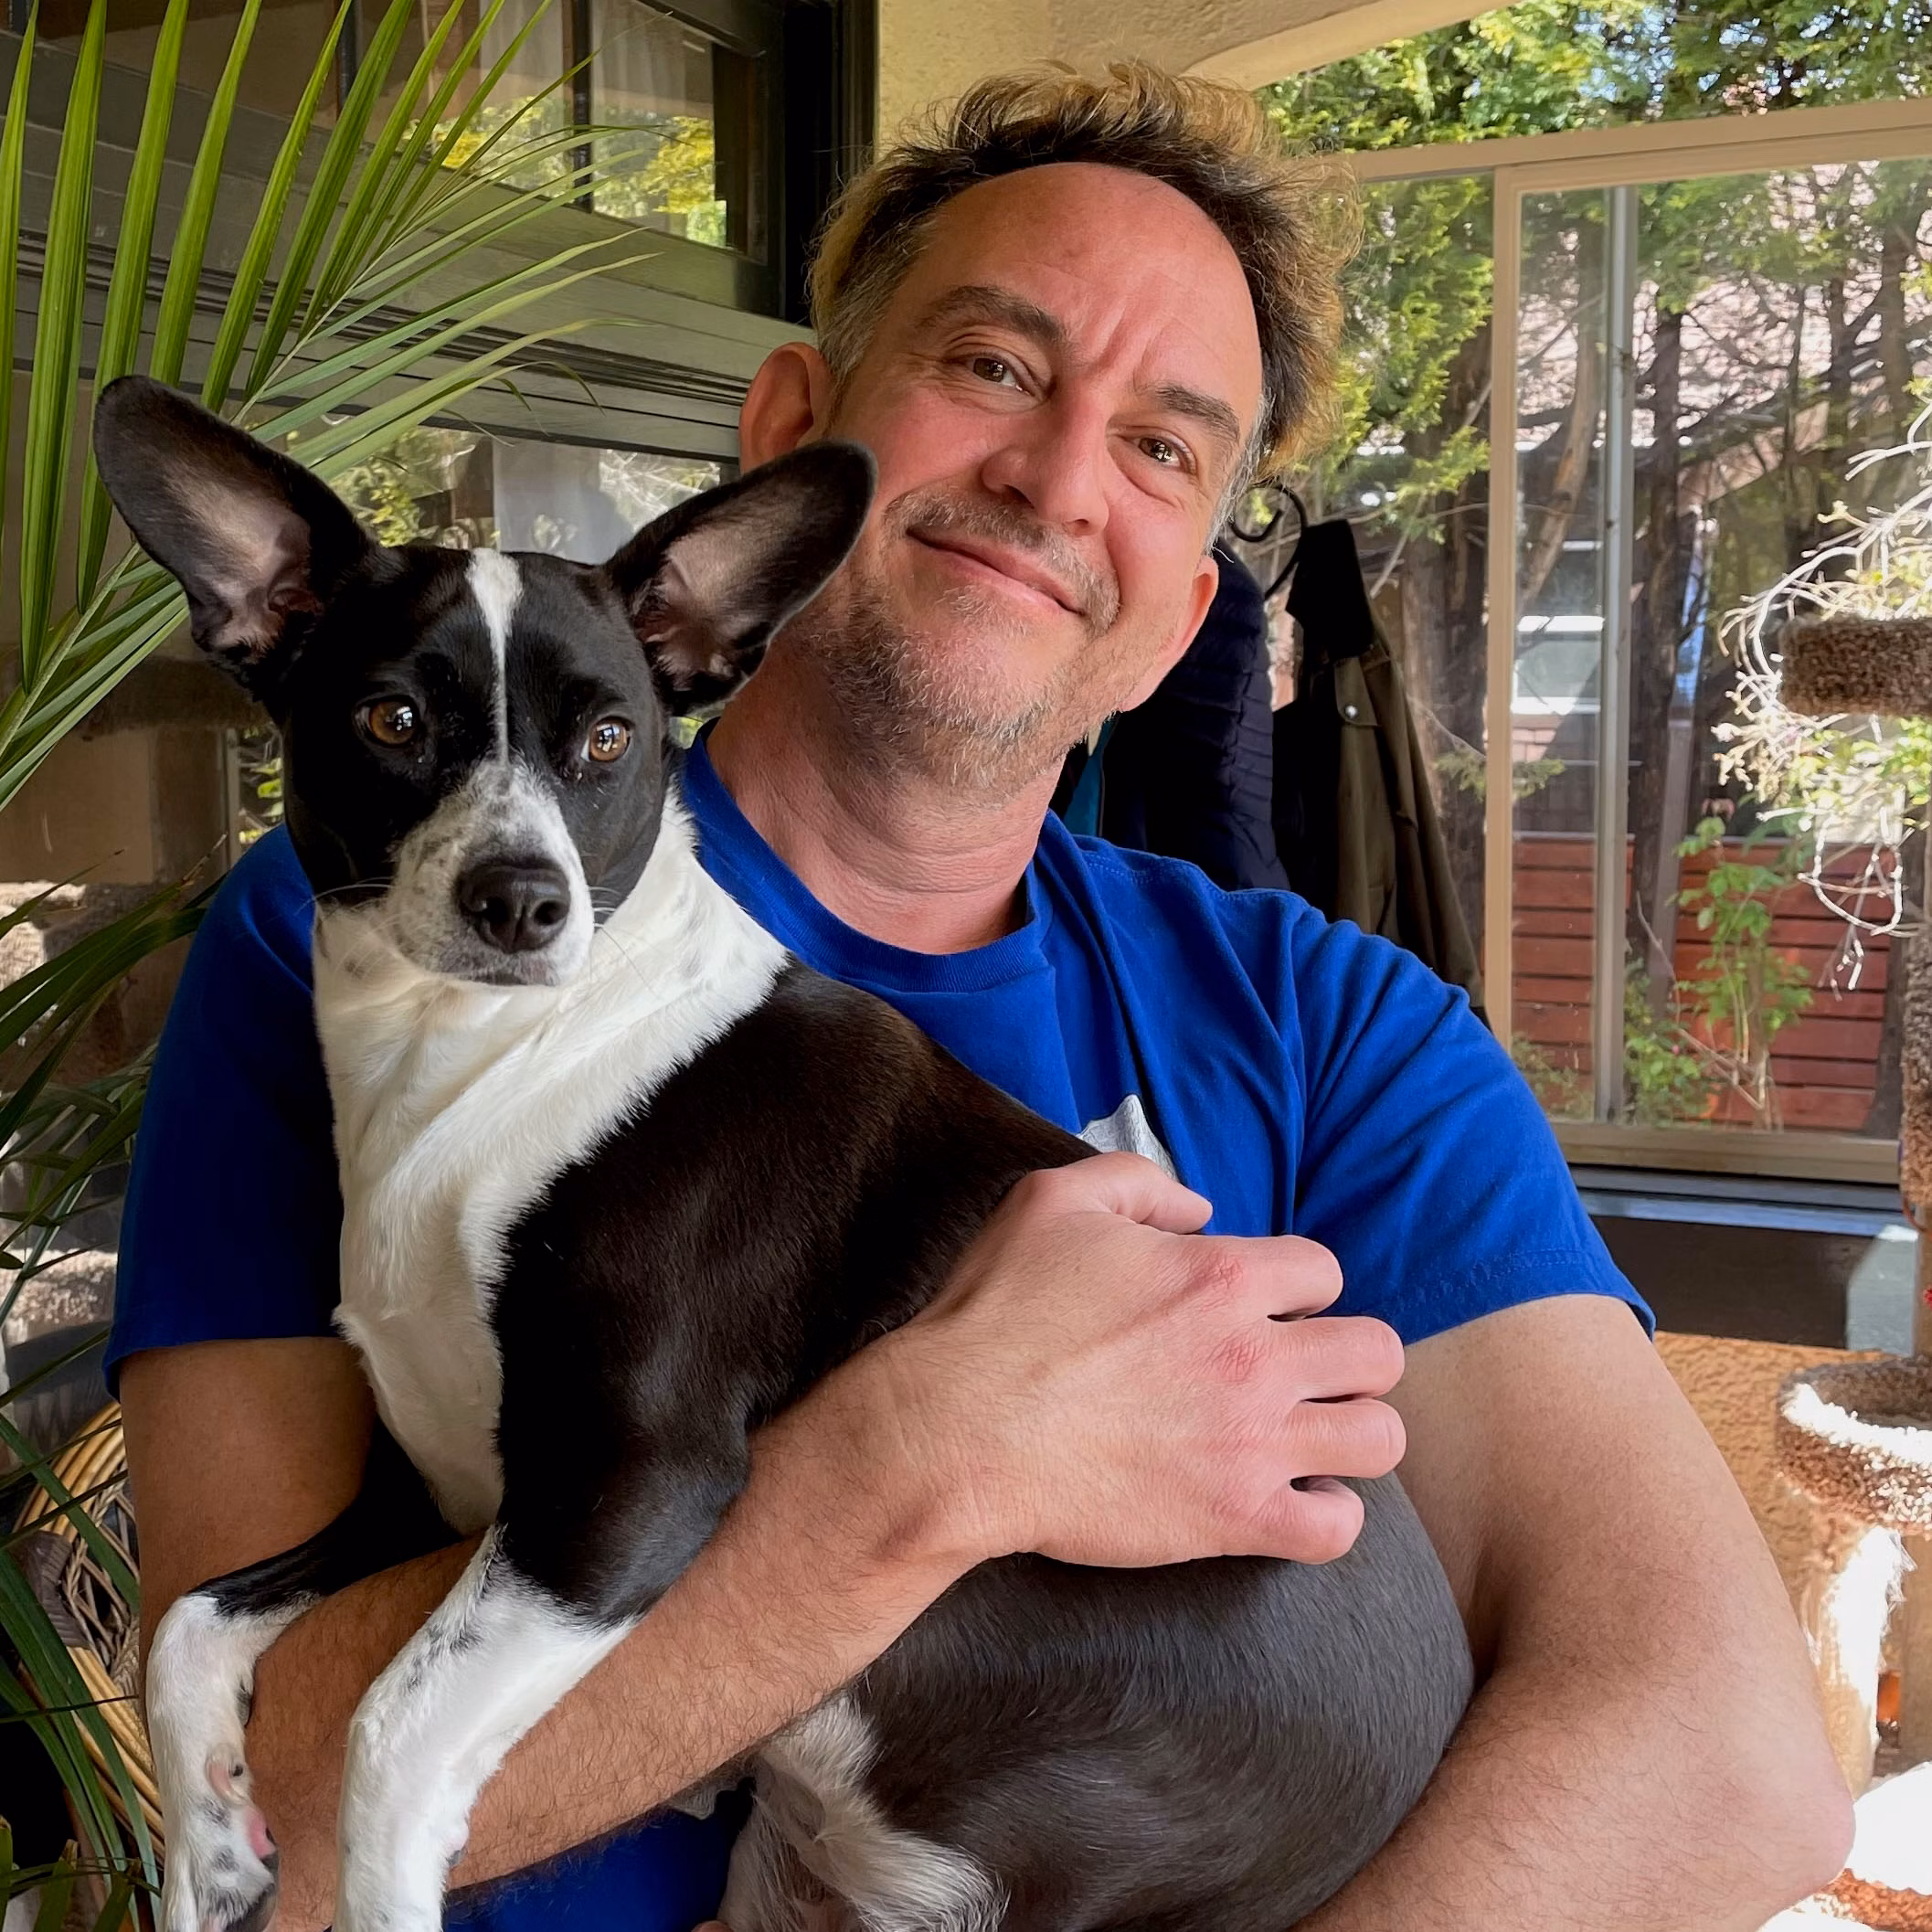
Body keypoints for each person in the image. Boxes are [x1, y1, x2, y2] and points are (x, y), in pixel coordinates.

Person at [111, 64, 1851, 1932]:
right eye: (998, 368)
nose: (1053, 476)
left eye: (1164, 447)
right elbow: (266, 1797)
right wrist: (915, 1463)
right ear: (791, 429)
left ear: (1182, 613)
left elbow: (1726, 1765)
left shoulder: (1338, 1035)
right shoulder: (356, 942)